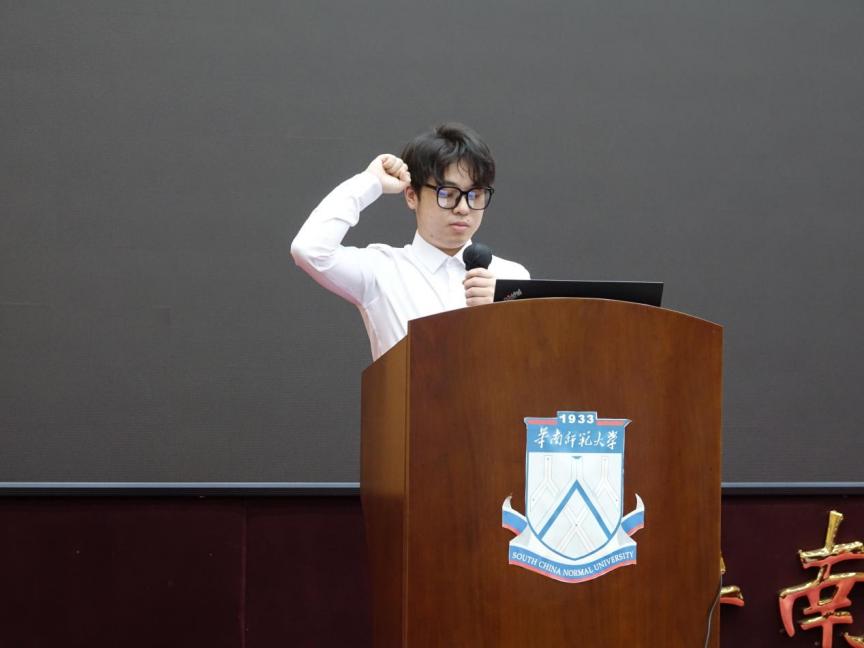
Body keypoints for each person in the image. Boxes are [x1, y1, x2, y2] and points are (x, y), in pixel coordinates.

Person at [291, 123, 530, 361]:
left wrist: (505, 310)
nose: (463, 208)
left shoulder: (511, 277)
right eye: (447, 194)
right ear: (412, 195)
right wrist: (371, 182)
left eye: (475, 195)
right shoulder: (382, 270)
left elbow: (531, 362)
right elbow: (309, 249)